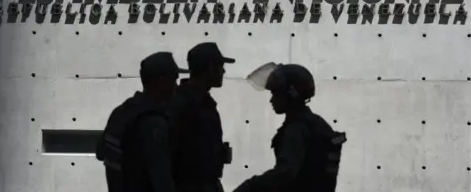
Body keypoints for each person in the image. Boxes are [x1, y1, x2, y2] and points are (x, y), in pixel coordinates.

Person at [233, 63, 347, 192]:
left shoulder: (298, 129)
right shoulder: (316, 123)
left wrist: (250, 187)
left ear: (291, 94)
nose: (271, 100)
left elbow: (284, 174)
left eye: (275, 93)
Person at [96, 52, 188, 192]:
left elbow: (101, 152)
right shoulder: (153, 121)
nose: (176, 87)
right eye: (173, 80)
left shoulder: (122, 112)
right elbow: (161, 179)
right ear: (161, 81)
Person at [170, 42, 235, 192]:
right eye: (220, 66)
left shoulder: (203, 102)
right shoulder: (182, 104)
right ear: (211, 68)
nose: (224, 71)